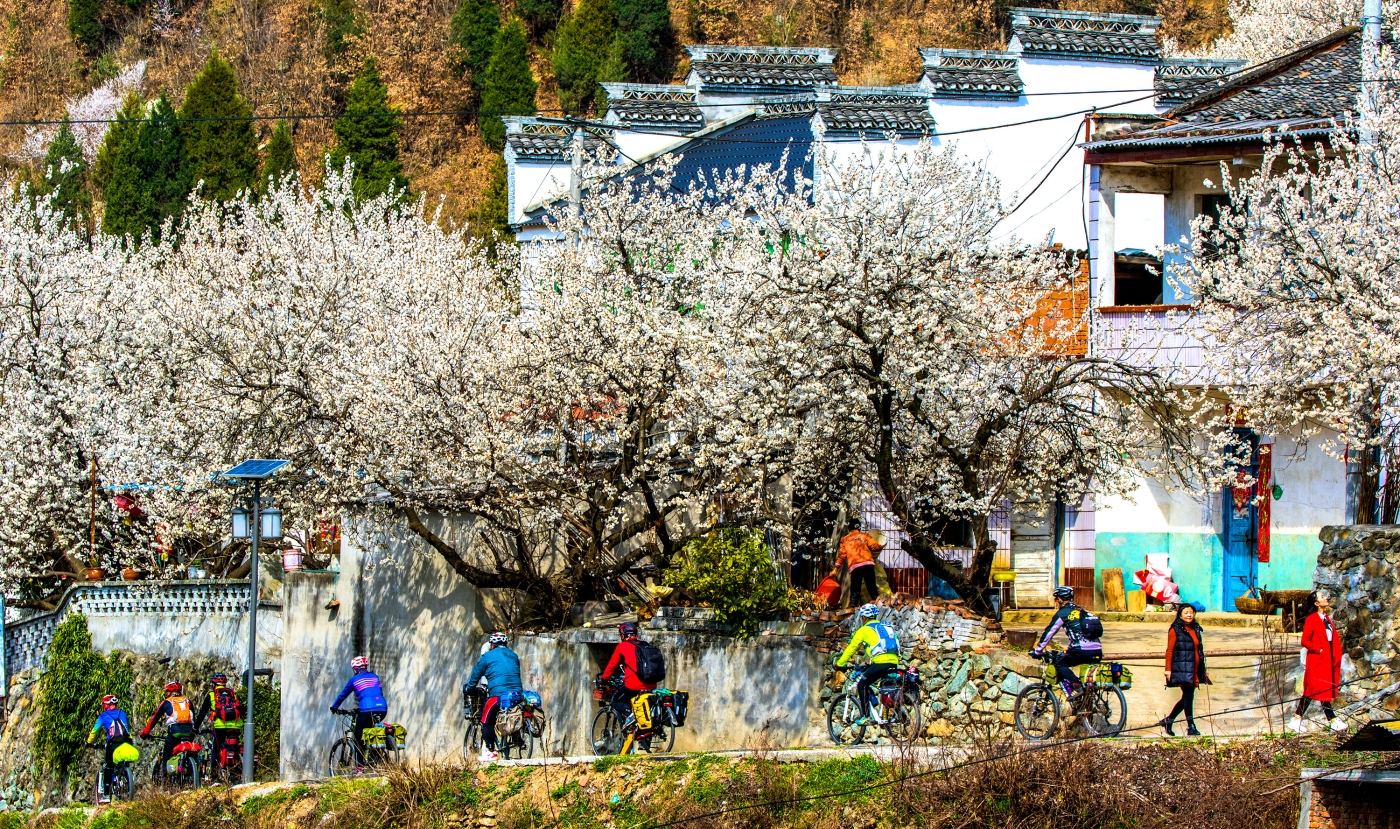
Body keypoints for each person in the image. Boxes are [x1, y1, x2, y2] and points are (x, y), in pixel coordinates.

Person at [1290, 589, 1347, 734]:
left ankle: (1296, 720)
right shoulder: (1312, 619)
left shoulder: (1326, 619)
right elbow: (1305, 640)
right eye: (1322, 597)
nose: (1326, 598)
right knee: (1315, 690)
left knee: (1319, 690)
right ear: (1316, 603)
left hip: (1326, 660)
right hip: (1317, 660)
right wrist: (1319, 649)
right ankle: (1333, 721)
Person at [834, 604, 901, 726]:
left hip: (881, 663)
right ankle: (898, 713)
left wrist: (840, 664)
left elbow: (851, 648)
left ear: (864, 618)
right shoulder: (885, 626)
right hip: (894, 661)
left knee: (862, 684)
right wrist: (871, 661)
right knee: (887, 688)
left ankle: (865, 716)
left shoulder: (864, 630)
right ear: (875, 616)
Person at [1031, 585, 1103, 694]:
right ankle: (1087, 702)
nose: (1056, 602)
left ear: (1059, 599)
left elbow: (1049, 632)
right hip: (1098, 649)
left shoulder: (1063, 613)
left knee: (1060, 664)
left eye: (1056, 599)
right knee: (1087, 677)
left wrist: (1037, 651)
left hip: (1081, 650)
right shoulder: (1082, 611)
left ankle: (1078, 687)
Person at [465, 632, 524, 763]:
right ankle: (516, 738)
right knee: (513, 710)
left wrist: (469, 688)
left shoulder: (487, 656)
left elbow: (476, 674)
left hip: (498, 694)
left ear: (492, 644)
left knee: (486, 719)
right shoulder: (513, 656)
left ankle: (491, 751)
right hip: (517, 694)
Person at [602, 622, 659, 746]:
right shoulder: (644, 645)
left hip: (633, 685)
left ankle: (630, 715)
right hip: (651, 685)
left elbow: (612, 666)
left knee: (616, 700)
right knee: (645, 710)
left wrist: (604, 679)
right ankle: (645, 742)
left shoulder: (623, 646)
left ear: (623, 635)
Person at [1158, 603, 1210, 736]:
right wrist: (1168, 669)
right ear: (1180, 615)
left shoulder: (1196, 628)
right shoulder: (1175, 630)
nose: (1189, 615)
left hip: (1194, 668)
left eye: (1191, 612)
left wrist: (1203, 670)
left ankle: (1169, 720)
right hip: (1182, 667)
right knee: (1188, 696)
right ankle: (1191, 726)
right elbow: (1169, 650)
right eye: (1186, 612)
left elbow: (1199, 651)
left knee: (1187, 697)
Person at [330, 656, 389, 760]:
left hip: (367, 709)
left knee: (358, 736)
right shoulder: (375, 677)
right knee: (370, 731)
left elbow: (343, 695)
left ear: (355, 669)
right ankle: (374, 757)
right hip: (382, 708)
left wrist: (334, 707)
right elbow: (375, 692)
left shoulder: (354, 679)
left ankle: (359, 767)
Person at [140, 682, 196, 781]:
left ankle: (166, 784)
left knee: (167, 756)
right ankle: (191, 774)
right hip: (189, 732)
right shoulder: (187, 701)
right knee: (190, 752)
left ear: (169, 692)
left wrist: (145, 732)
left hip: (175, 731)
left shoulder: (167, 702)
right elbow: (193, 717)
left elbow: (154, 718)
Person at [194, 672, 243, 775]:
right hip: (236, 725)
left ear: (213, 684)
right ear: (225, 683)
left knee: (216, 749)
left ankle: (215, 777)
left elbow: (202, 714)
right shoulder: (233, 693)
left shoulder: (212, 695)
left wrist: (195, 728)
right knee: (234, 747)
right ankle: (236, 772)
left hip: (220, 725)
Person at [87, 694, 133, 804]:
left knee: (108, 766)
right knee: (123, 762)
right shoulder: (123, 714)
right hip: (127, 741)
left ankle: (106, 795)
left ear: (107, 705)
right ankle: (125, 775)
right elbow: (127, 729)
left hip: (113, 743)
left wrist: (89, 742)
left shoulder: (103, 716)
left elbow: (94, 731)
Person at [834, 525, 885, 607]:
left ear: (849, 529)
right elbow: (875, 546)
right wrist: (880, 546)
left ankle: (852, 607)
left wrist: (836, 568)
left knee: (855, 588)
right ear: (859, 528)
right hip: (868, 564)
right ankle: (878, 606)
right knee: (872, 587)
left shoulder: (845, 540)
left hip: (855, 567)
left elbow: (842, 556)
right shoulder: (865, 535)